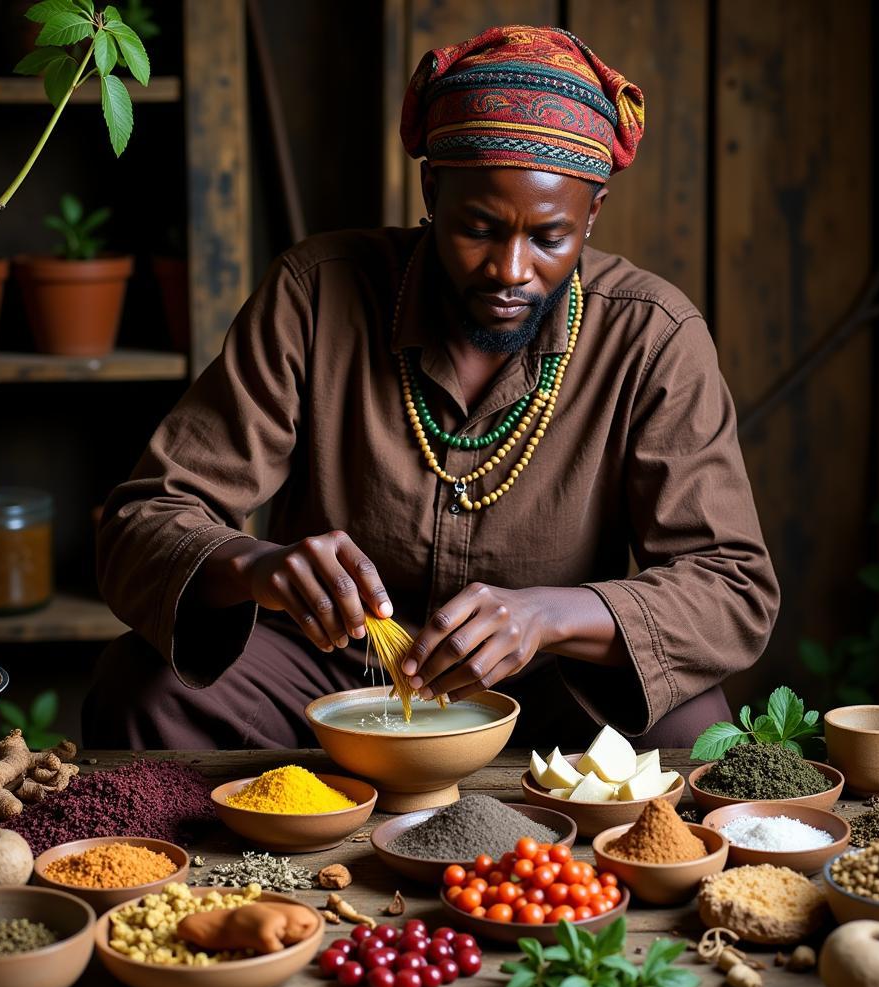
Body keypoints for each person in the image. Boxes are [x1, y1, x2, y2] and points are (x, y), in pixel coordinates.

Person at [83, 25, 779, 751]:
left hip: (548, 683)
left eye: (548, 238)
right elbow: (142, 523)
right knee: (142, 692)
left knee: (694, 729)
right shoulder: (316, 296)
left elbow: (734, 587)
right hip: (329, 677)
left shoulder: (652, 335)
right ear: (431, 187)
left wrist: (552, 616)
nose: (511, 270)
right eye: (478, 228)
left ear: (592, 214)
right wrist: (255, 566)